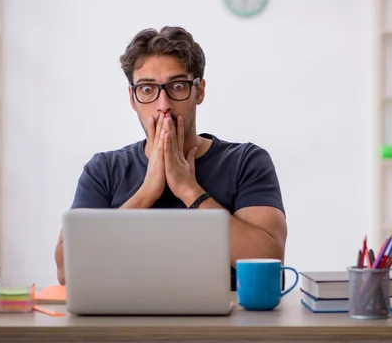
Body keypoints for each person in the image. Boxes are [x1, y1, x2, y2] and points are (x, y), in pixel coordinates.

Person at [54, 26, 287, 290]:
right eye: (147, 89)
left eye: (177, 86)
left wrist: (189, 190)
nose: (163, 104)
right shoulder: (104, 169)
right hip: (123, 326)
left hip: (225, 327)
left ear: (199, 91)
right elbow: (67, 271)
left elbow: (270, 259)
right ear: (132, 98)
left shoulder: (246, 161)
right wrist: (146, 193)